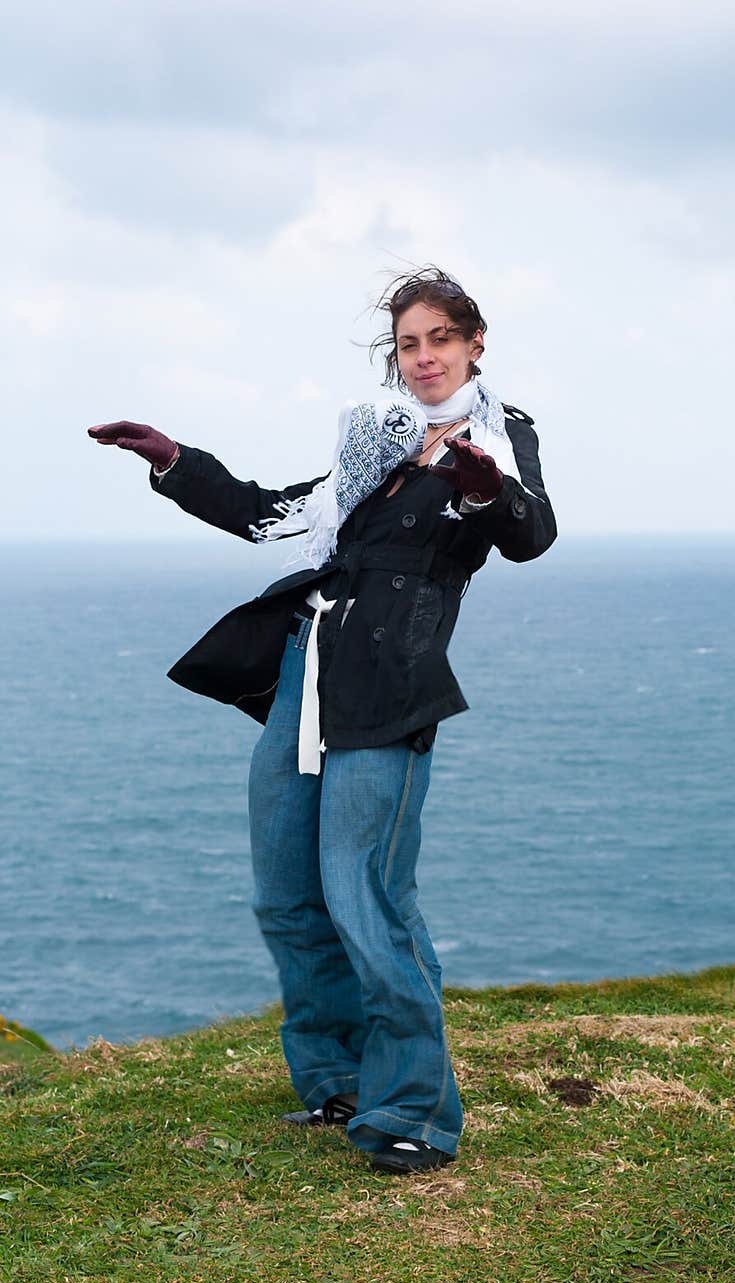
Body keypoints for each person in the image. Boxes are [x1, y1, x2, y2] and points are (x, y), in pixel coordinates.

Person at [88, 266, 557, 1174]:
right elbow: (272, 513)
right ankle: (336, 1081)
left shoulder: (502, 440)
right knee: (290, 897)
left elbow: (530, 533)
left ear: (473, 344)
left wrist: (486, 487)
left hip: (389, 688)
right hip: (306, 671)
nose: (423, 359)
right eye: (408, 344)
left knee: (368, 899)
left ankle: (414, 1110)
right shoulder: (376, 441)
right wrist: (175, 461)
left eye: (439, 341)